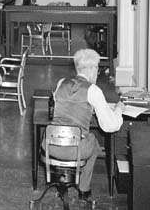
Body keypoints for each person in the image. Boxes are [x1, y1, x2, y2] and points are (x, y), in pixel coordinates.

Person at [46, 49, 123, 202]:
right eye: (97, 68)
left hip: (50, 146)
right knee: (93, 141)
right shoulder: (93, 90)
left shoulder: (61, 82)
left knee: (83, 139)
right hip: (75, 151)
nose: (97, 72)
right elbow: (110, 126)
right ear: (91, 69)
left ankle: (63, 182)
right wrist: (119, 109)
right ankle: (83, 189)